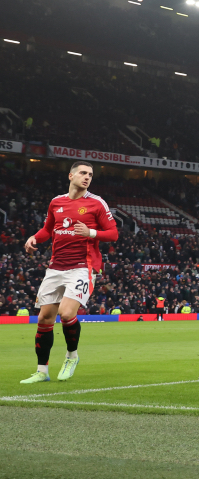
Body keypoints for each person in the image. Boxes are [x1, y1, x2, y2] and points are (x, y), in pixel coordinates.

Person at [21, 161, 118, 383]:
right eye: (83, 173)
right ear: (71, 175)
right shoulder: (56, 202)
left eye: (90, 174)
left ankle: (71, 356)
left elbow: (113, 234)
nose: (87, 177)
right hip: (56, 267)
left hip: (83, 267)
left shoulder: (96, 203)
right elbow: (48, 229)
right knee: (45, 318)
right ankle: (42, 371)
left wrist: (91, 232)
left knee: (66, 313)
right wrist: (34, 237)